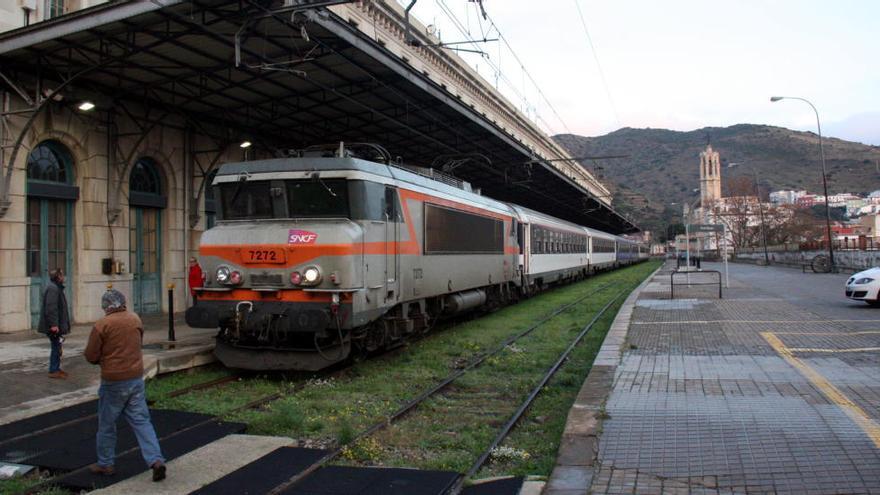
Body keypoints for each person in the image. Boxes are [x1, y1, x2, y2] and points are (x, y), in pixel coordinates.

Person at [84, 289, 166, 482]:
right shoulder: (135, 319)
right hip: (136, 379)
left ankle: (105, 463)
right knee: (142, 421)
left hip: (113, 381)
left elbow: (91, 355)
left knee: (107, 424)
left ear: (106, 306)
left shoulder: (102, 325)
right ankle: (156, 460)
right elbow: (138, 342)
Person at [38, 268, 71, 379]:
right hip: (53, 326)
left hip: (56, 324)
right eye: (62, 275)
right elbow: (51, 308)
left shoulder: (56, 287)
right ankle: (53, 370)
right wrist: (54, 325)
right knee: (56, 347)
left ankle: (55, 368)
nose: (63, 277)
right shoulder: (53, 289)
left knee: (57, 346)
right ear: (58, 277)